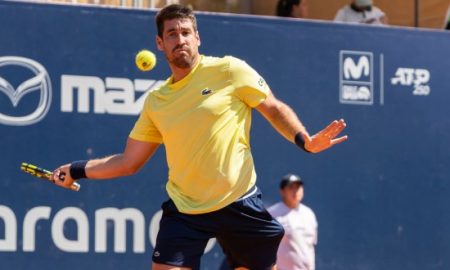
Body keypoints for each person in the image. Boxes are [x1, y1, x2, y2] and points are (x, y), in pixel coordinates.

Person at [52, 4, 347, 270]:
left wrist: (304, 140)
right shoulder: (157, 101)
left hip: (239, 203)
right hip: (186, 211)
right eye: (171, 34)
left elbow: (273, 108)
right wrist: (77, 169)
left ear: (197, 38)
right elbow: (129, 162)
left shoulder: (230, 70)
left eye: (185, 32)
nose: (179, 40)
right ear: (160, 43)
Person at [267, 174, 318, 270]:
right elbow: (264, 246)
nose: (295, 191)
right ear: (282, 191)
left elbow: (311, 245)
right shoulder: (272, 214)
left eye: (298, 187)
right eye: (291, 187)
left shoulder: (309, 213)